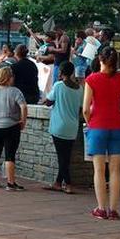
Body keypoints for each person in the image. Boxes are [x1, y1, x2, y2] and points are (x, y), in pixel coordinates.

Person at [83, 47, 120, 220]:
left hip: (97, 126)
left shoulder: (91, 79)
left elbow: (85, 108)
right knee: (115, 171)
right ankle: (113, 210)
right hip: (117, 126)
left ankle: (101, 208)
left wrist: (89, 121)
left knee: (99, 170)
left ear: (100, 59)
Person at [0, 66, 29, 190]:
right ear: (8, 78)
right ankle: (10, 182)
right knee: (10, 154)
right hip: (10, 125)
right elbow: (23, 106)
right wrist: (23, 121)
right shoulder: (15, 91)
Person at [44, 62, 82, 194]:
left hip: (59, 126)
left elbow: (48, 102)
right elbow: (81, 108)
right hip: (72, 127)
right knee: (65, 156)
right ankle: (58, 183)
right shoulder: (79, 88)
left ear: (60, 72)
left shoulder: (58, 86)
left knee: (62, 158)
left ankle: (69, 184)